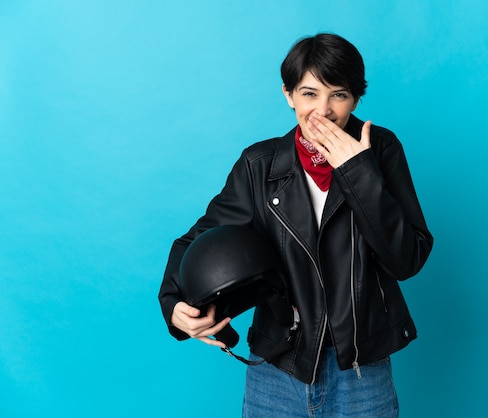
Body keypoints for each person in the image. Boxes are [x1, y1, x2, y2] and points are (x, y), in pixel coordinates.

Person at [158, 33, 434, 417]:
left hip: (360, 368)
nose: (323, 110)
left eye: (338, 94)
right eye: (309, 94)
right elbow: (200, 238)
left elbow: (407, 259)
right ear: (288, 95)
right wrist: (173, 304)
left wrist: (358, 171)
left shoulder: (381, 150)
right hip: (278, 364)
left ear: (356, 98)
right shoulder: (259, 165)